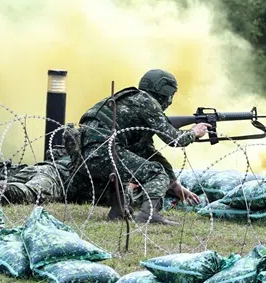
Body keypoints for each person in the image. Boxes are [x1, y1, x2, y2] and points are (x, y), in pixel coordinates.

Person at [75, 69, 207, 225]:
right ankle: (149, 215)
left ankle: (118, 211)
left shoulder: (132, 100)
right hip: (104, 152)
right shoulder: (146, 101)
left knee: (145, 168)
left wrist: (175, 185)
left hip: (88, 155)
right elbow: (173, 139)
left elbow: (148, 151)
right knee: (155, 173)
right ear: (166, 92)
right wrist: (194, 132)